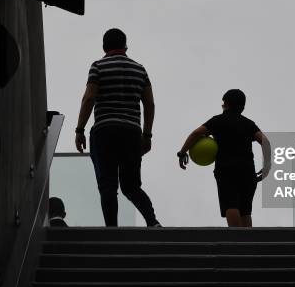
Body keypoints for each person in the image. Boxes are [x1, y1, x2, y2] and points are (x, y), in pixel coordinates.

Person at [75, 28, 161, 227]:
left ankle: (111, 229)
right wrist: (147, 135)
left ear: (104, 47)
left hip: (104, 131)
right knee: (131, 186)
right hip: (131, 133)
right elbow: (149, 103)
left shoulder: (97, 66)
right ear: (125, 46)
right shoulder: (140, 69)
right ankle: (152, 221)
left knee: (108, 185)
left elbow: (89, 98)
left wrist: (79, 130)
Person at [177, 89, 271, 227]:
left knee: (231, 204)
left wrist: (182, 152)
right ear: (242, 107)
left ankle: (237, 242)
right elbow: (266, 142)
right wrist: (267, 166)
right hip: (247, 171)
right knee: (245, 210)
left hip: (226, 169)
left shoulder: (218, 121)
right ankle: (248, 243)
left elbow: (196, 133)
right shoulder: (249, 123)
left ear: (225, 104)